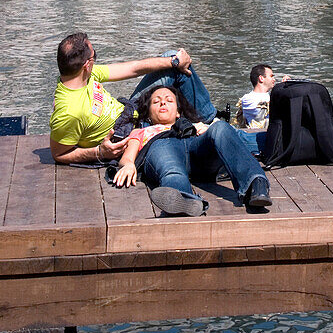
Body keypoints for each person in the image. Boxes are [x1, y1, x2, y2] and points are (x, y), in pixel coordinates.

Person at [49, 31, 218, 165]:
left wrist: (174, 62)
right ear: (86, 65)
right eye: (95, 56)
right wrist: (99, 152)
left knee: (173, 57)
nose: (95, 60)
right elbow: (59, 154)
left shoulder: (84, 75)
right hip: (129, 132)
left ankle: (209, 119)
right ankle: (210, 126)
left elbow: (133, 69)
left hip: (130, 111)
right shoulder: (70, 112)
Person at [113, 85, 272, 215]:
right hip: (164, 149)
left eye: (169, 100)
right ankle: (183, 199)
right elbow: (127, 157)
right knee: (171, 167)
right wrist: (128, 165)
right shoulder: (141, 132)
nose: (163, 103)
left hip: (198, 157)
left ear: (177, 113)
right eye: (156, 102)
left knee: (220, 127)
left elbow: (220, 137)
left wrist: (207, 131)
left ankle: (255, 184)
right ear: (148, 114)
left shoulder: (192, 126)